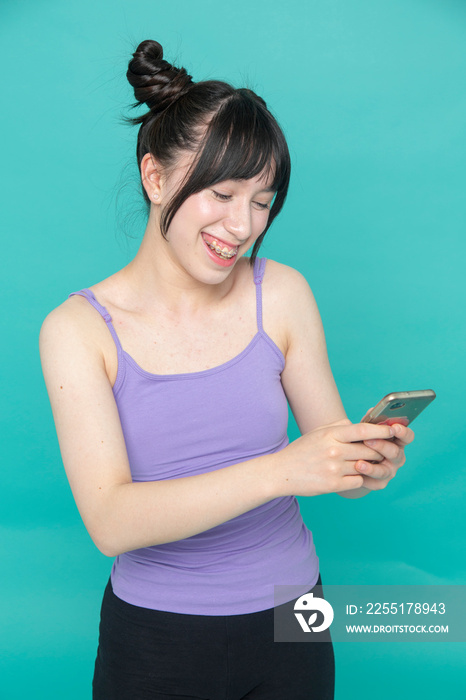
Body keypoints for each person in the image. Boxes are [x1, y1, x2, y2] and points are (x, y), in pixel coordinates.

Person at [39, 39, 414, 700]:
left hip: (297, 614)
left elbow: (328, 463)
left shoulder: (284, 293)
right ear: (156, 179)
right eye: (223, 193)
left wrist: (361, 463)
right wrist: (282, 470)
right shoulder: (76, 331)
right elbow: (110, 522)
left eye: (263, 200)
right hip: (156, 636)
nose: (243, 225)